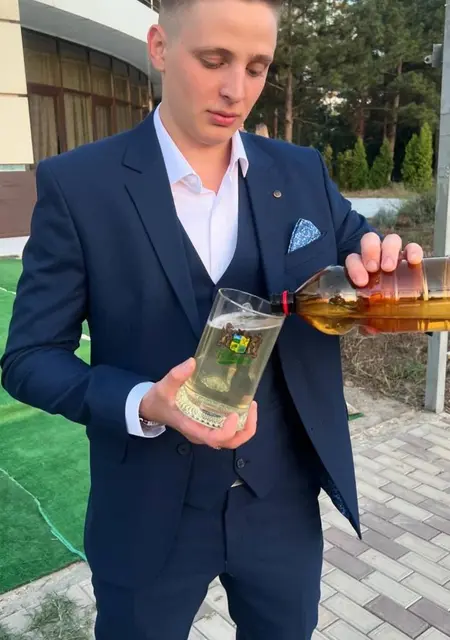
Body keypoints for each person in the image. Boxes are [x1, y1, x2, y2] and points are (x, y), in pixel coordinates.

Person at [1, 0, 424, 638]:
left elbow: (358, 243)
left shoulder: (300, 172)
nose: (236, 90)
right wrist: (145, 402)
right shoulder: (79, 186)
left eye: (256, 67)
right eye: (214, 59)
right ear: (160, 47)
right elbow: (29, 359)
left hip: (281, 505)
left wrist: (380, 257)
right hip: (147, 513)